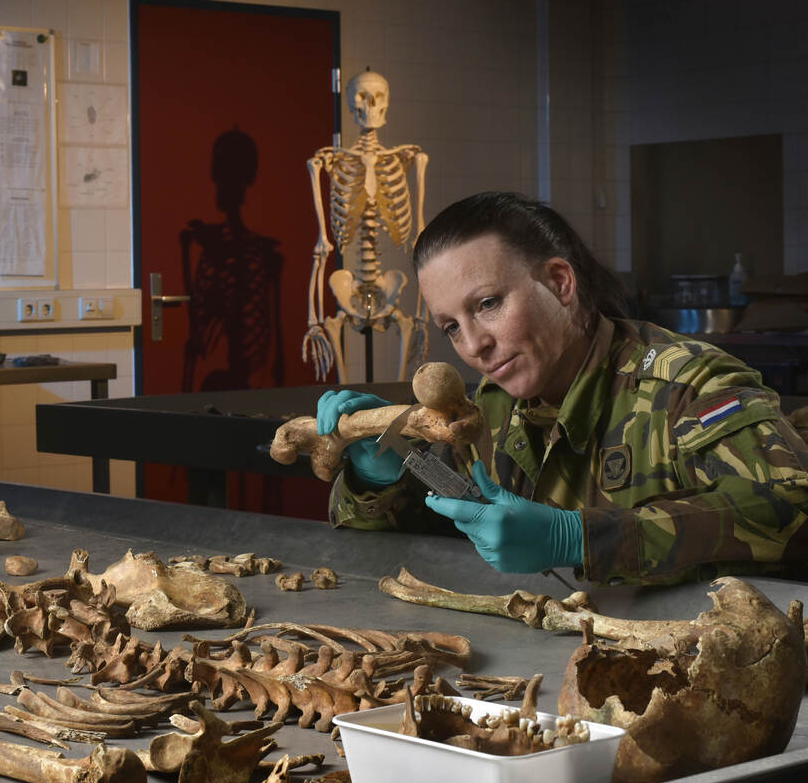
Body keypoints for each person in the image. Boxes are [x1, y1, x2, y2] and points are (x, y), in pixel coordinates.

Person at [318, 191, 808, 585]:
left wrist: (581, 538)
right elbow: (410, 546)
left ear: (559, 282)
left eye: (488, 304)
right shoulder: (488, 410)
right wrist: (381, 478)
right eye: (451, 327)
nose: (474, 345)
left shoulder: (687, 384)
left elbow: (792, 506)